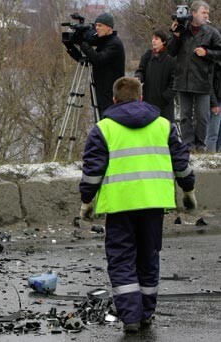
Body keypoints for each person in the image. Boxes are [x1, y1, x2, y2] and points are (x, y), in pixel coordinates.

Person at [78, 77, 196, 333]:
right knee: (148, 257)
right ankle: (145, 314)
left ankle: (130, 317)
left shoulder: (104, 128)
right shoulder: (164, 126)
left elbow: (92, 171)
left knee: (122, 260)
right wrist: (188, 190)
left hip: (120, 207)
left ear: (114, 99)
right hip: (154, 205)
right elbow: (181, 162)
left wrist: (86, 200)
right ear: (141, 97)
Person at [167, 0, 221, 152]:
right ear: (194, 13)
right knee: (185, 116)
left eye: (207, 13)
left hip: (203, 81)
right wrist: (176, 36)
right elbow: (170, 52)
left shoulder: (212, 32)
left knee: (203, 117)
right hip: (183, 80)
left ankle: (200, 145)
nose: (206, 16)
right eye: (204, 12)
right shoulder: (182, 30)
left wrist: (207, 53)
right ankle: (188, 145)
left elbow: (220, 53)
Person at [77, 12, 125, 118]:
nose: (97, 28)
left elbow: (98, 59)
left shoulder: (114, 44)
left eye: (100, 25)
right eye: (95, 25)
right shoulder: (103, 41)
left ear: (109, 27)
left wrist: (83, 44)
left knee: (109, 123)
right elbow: (90, 60)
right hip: (101, 90)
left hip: (111, 94)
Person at [135, 29, 176, 122]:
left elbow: (175, 82)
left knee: (164, 132)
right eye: (152, 38)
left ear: (164, 41)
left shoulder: (170, 59)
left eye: (156, 39)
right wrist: (138, 77)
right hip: (148, 101)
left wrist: (165, 97)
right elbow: (141, 70)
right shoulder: (148, 55)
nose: (153, 41)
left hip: (164, 105)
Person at [206, 61, 221, 152]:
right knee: (213, 133)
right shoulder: (214, 65)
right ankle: (209, 155)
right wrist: (214, 103)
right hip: (216, 101)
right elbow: (209, 85)